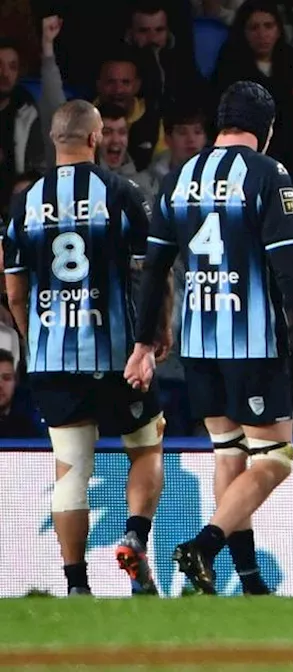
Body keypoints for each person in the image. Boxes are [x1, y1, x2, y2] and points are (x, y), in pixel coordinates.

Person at [126, 81, 293, 596]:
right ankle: (203, 546)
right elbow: (289, 266)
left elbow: (154, 268)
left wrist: (143, 344)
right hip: (251, 341)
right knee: (274, 458)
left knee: (230, 454)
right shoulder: (270, 174)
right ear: (266, 129)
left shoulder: (179, 175)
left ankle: (248, 581)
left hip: (198, 342)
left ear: (219, 124)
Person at [1, 100, 167, 596]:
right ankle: (134, 536)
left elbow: (13, 290)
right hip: (117, 355)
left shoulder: (23, 203)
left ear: (54, 141)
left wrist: (37, 340)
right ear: (95, 139)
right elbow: (151, 271)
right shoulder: (120, 192)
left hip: (54, 359)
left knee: (71, 469)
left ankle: (76, 585)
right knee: (146, 445)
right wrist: (154, 335)